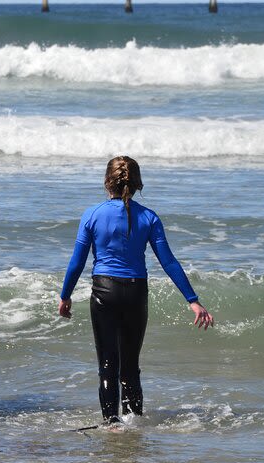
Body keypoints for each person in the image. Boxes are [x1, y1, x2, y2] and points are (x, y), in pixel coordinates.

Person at [58, 156, 213, 424]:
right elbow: (169, 262)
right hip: (136, 293)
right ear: (138, 183)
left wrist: (65, 296)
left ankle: (112, 425)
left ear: (107, 182)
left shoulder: (92, 214)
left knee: (108, 365)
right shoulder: (149, 217)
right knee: (130, 367)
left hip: (104, 292)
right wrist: (193, 301)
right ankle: (134, 423)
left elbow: (77, 262)